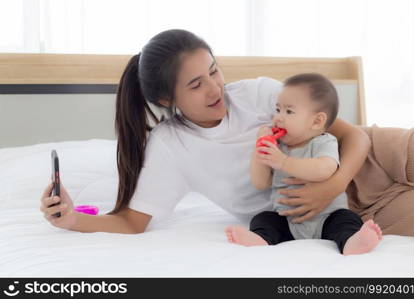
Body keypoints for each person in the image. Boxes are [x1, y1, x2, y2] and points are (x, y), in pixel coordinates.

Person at [39, 29, 372, 234]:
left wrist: (332, 186)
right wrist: (69, 220)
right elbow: (131, 222)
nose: (215, 89)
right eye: (197, 85)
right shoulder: (172, 146)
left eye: (214, 71)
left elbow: (356, 136)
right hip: (336, 218)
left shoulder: (258, 94)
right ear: (166, 98)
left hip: (368, 168)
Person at [225, 73, 382, 255]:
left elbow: (324, 169)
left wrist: (283, 162)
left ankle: (352, 242)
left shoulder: (323, 141)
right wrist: (259, 151)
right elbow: (261, 183)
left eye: (289, 111)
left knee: (347, 220)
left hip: (327, 216)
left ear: (317, 121)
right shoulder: (279, 147)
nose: (278, 118)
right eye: (277, 109)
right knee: (263, 219)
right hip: (288, 220)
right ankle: (260, 239)